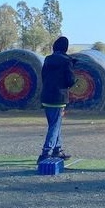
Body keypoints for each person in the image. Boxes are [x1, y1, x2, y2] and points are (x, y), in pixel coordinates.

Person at [37, 36, 77, 164]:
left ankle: (57, 150)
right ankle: (46, 152)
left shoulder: (48, 59)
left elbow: (44, 76)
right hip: (58, 98)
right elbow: (69, 81)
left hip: (46, 96)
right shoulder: (67, 61)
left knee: (55, 124)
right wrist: (72, 68)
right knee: (54, 126)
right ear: (65, 47)